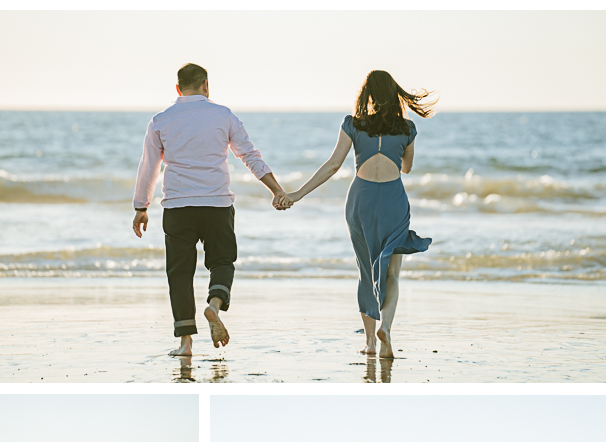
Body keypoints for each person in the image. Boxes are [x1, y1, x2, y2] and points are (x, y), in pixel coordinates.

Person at [132, 62, 290, 356]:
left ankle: (185, 344)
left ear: (178, 89)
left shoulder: (160, 121)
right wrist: (276, 189)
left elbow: (149, 167)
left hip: (178, 208)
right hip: (217, 205)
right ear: (206, 85)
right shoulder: (223, 115)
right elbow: (249, 155)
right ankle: (214, 305)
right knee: (222, 261)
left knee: (179, 274)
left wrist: (142, 206)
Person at [280, 71, 435, 359]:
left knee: (366, 271)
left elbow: (333, 165)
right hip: (393, 200)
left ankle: (370, 343)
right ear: (394, 94)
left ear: (368, 95)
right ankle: (386, 327)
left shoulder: (352, 124)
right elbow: (407, 168)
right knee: (391, 272)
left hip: (360, 200)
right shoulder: (408, 129)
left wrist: (297, 194)